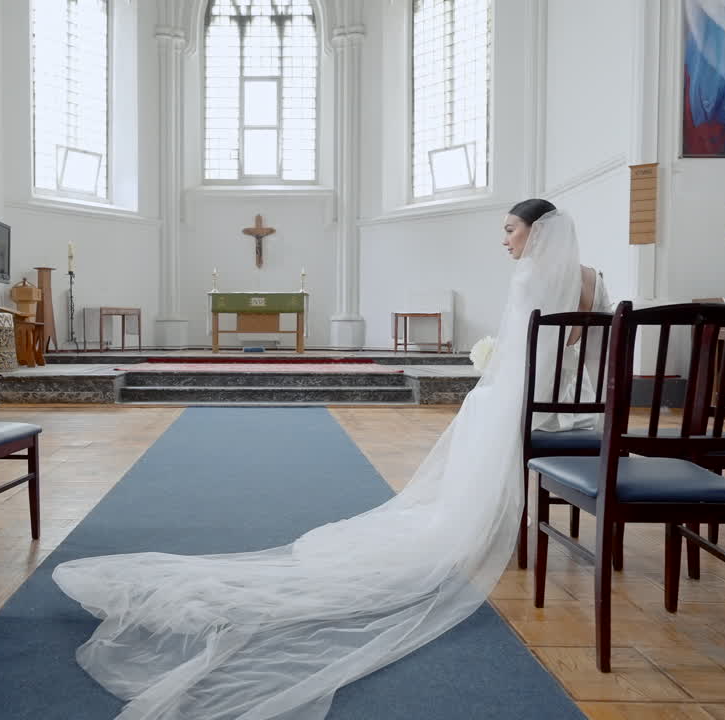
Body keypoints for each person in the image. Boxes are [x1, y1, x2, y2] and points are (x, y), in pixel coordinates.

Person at [54, 200, 609, 720]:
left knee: (476, 413)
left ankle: (475, 515)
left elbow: (518, 356)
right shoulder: (593, 279)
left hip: (522, 404)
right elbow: (572, 351)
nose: (505, 242)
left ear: (535, 232)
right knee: (478, 410)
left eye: (510, 230)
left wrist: (488, 381)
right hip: (576, 411)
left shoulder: (531, 275)